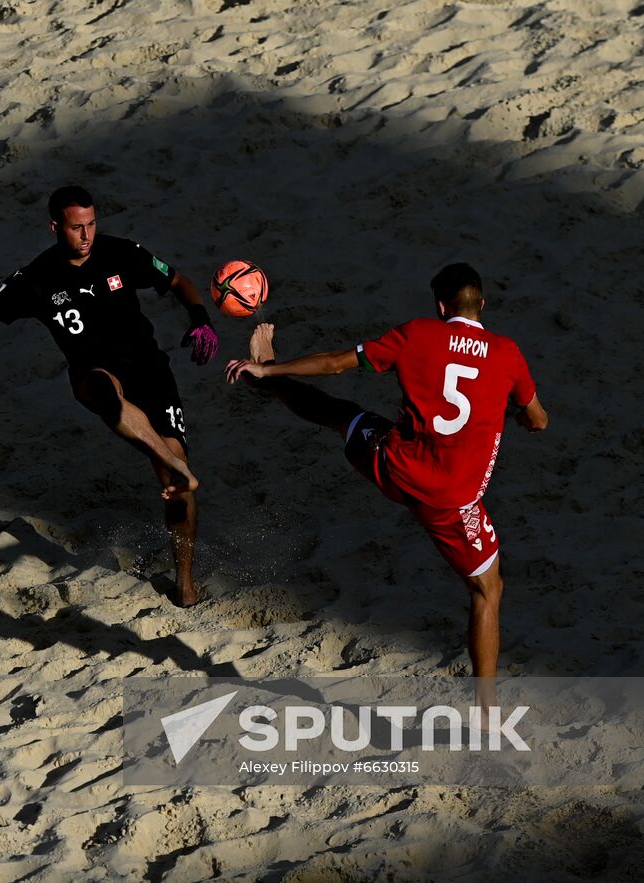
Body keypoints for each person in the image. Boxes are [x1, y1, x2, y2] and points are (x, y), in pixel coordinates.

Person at [0, 185, 219, 607]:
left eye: (91, 224)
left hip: (151, 372)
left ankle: (184, 577)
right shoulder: (36, 278)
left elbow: (178, 280)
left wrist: (200, 319)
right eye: (75, 227)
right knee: (103, 389)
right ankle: (173, 462)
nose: (86, 235)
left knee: (177, 488)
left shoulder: (122, 253)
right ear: (55, 227)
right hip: (94, 375)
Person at [224, 263, 548, 682]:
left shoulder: (418, 333)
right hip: (454, 501)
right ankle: (486, 707)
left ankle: (267, 382)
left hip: (395, 465)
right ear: (482, 304)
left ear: (440, 306)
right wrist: (523, 416)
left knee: (340, 415)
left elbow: (336, 363)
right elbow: (538, 420)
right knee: (488, 591)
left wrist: (271, 367)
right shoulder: (508, 353)